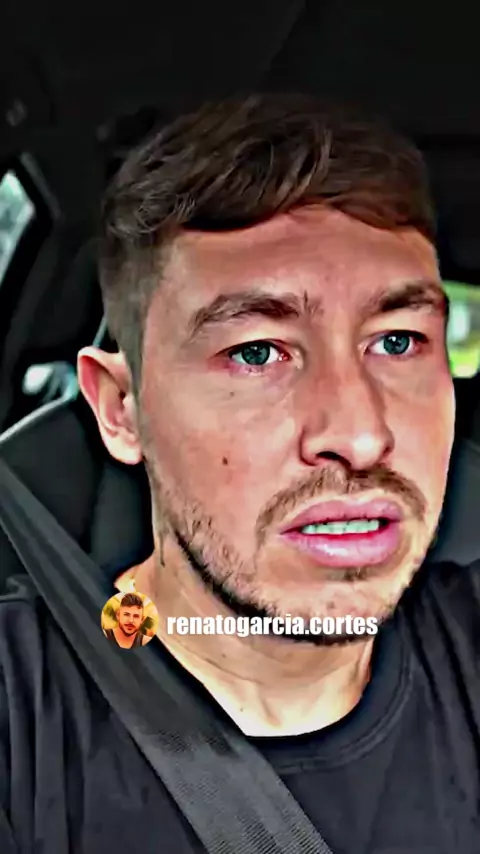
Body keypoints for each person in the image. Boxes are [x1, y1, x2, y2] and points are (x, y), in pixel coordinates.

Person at [0, 93, 478, 853]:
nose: (361, 436)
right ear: (122, 410)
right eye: (256, 352)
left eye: (396, 342)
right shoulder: (23, 714)